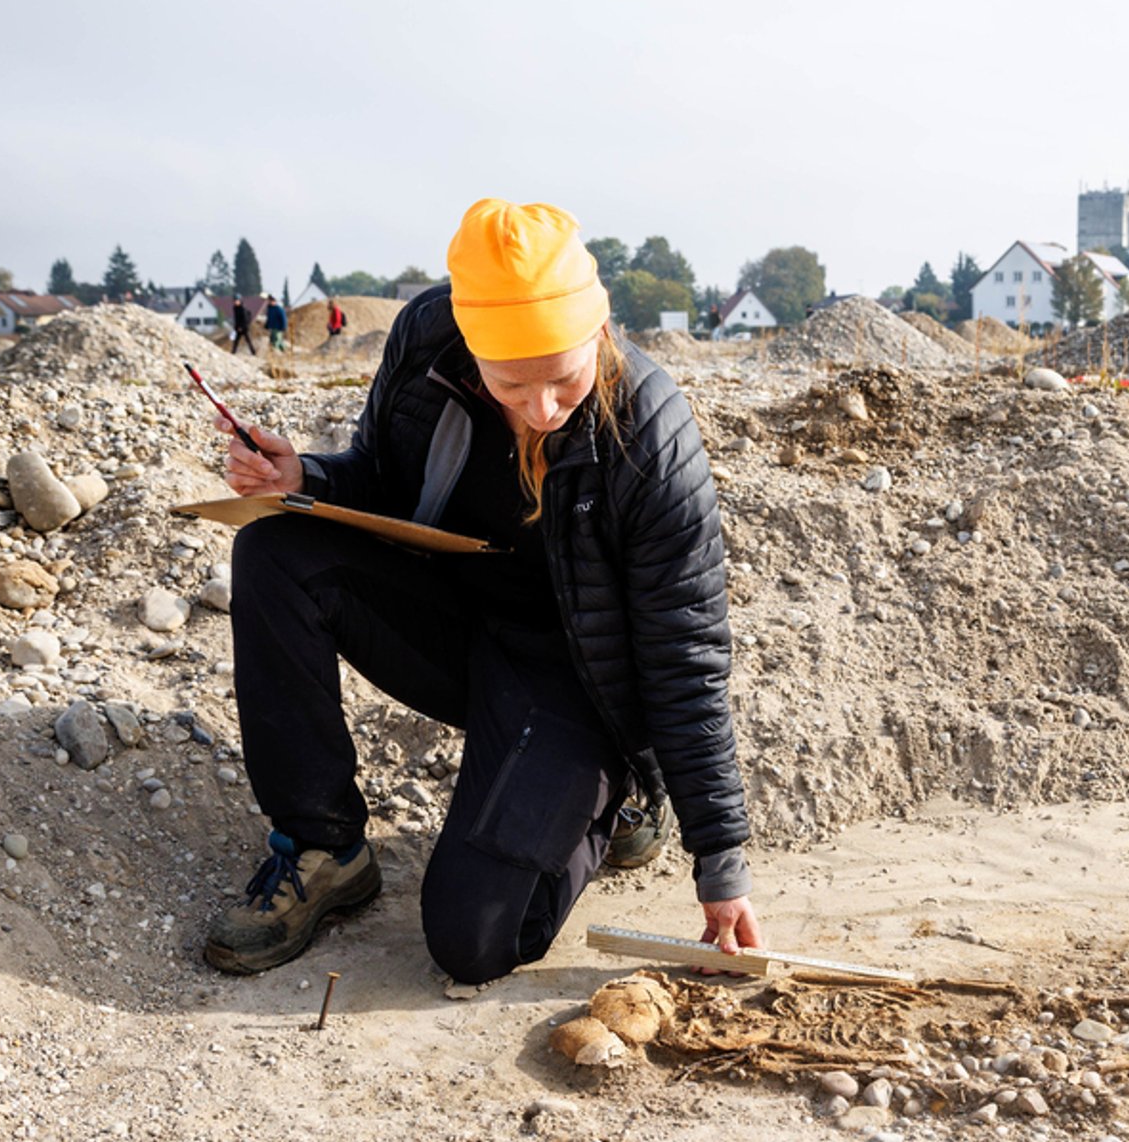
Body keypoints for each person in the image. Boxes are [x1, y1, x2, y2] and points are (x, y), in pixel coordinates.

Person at [202, 198, 761, 984]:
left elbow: (685, 654)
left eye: (563, 382)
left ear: (597, 333)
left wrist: (721, 863)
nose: (540, 410)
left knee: (475, 942)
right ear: (471, 347)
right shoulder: (428, 338)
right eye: (512, 384)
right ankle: (326, 846)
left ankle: (620, 798)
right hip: (458, 628)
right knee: (274, 547)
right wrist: (305, 476)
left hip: (575, 682)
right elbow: (384, 480)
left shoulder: (651, 432)